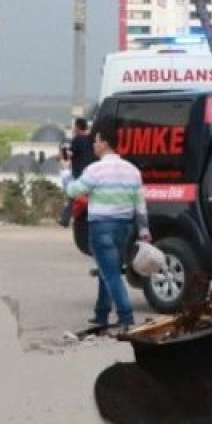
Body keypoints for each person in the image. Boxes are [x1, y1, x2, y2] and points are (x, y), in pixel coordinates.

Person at [62, 125, 150, 332]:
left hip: (102, 226)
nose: (94, 144)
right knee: (108, 269)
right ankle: (101, 313)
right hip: (126, 227)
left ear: (104, 143)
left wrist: (65, 171)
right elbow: (140, 204)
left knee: (110, 274)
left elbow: (73, 191)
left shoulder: (95, 170)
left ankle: (126, 317)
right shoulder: (133, 171)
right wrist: (144, 230)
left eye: (96, 141)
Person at [57, 117, 96, 226]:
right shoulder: (91, 138)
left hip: (79, 173)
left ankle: (65, 219)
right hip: (91, 173)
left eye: (74, 126)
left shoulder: (78, 139)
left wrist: (63, 150)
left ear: (78, 127)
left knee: (73, 195)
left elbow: (68, 155)